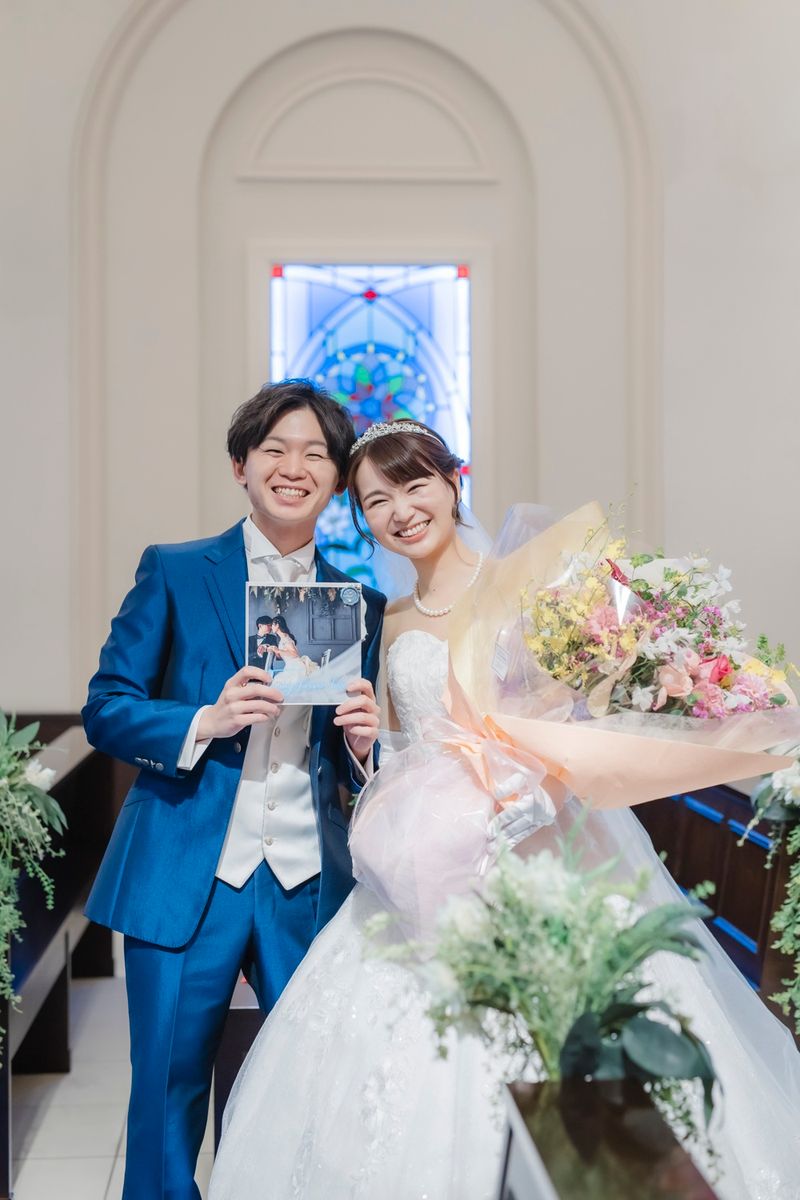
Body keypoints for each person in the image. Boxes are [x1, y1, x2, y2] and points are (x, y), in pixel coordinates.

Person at [209, 420, 800, 1200]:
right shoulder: (386, 619)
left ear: (453, 483)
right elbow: (408, 751)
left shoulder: (537, 590)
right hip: (429, 869)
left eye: (414, 485)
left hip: (546, 846)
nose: (400, 511)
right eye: (376, 500)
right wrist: (366, 745)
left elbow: (584, 722)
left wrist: (526, 801)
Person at [81, 379, 385, 1200]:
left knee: (307, 1098)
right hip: (189, 871)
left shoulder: (360, 603)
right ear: (240, 465)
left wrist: (365, 748)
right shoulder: (176, 571)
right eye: (274, 449)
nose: (294, 467)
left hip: (308, 884)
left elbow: (351, 761)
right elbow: (105, 707)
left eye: (315, 454)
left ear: (336, 478)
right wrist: (203, 720)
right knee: (166, 1098)